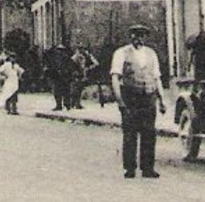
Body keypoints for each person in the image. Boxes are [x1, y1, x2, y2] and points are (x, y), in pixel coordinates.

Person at [110, 24, 165, 178]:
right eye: (135, 35)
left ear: (145, 37)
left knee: (149, 133)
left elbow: (157, 77)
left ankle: (148, 168)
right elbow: (115, 77)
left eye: (141, 35)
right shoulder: (121, 53)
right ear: (131, 36)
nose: (138, 38)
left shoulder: (151, 54)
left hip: (148, 97)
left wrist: (161, 99)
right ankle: (130, 168)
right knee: (130, 132)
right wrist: (119, 100)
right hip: (130, 97)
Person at [69, 45, 98, 110]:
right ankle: (72, 104)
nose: (82, 50)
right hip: (76, 75)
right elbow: (72, 66)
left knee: (79, 90)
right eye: (81, 49)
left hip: (82, 75)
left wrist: (88, 68)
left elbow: (96, 63)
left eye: (83, 49)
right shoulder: (75, 57)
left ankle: (77, 104)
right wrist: (75, 73)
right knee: (75, 90)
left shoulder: (85, 57)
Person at [46, 44, 71, 111]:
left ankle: (66, 105)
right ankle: (59, 105)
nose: (60, 52)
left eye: (61, 50)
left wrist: (65, 73)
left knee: (65, 92)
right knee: (57, 92)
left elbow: (69, 67)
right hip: (57, 77)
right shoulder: (55, 58)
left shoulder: (66, 58)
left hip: (64, 77)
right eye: (59, 50)